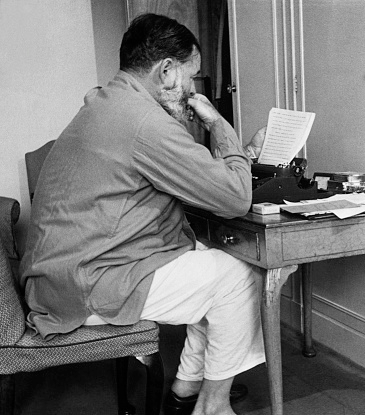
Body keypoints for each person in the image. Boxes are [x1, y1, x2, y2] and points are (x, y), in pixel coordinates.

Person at [20, 13, 267, 415]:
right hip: (84, 285)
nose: (191, 90)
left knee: (207, 263)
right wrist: (220, 124)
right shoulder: (144, 121)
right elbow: (237, 198)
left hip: (60, 274)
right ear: (167, 71)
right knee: (240, 275)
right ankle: (213, 406)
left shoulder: (107, 101)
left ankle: (186, 387)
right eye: (192, 76)